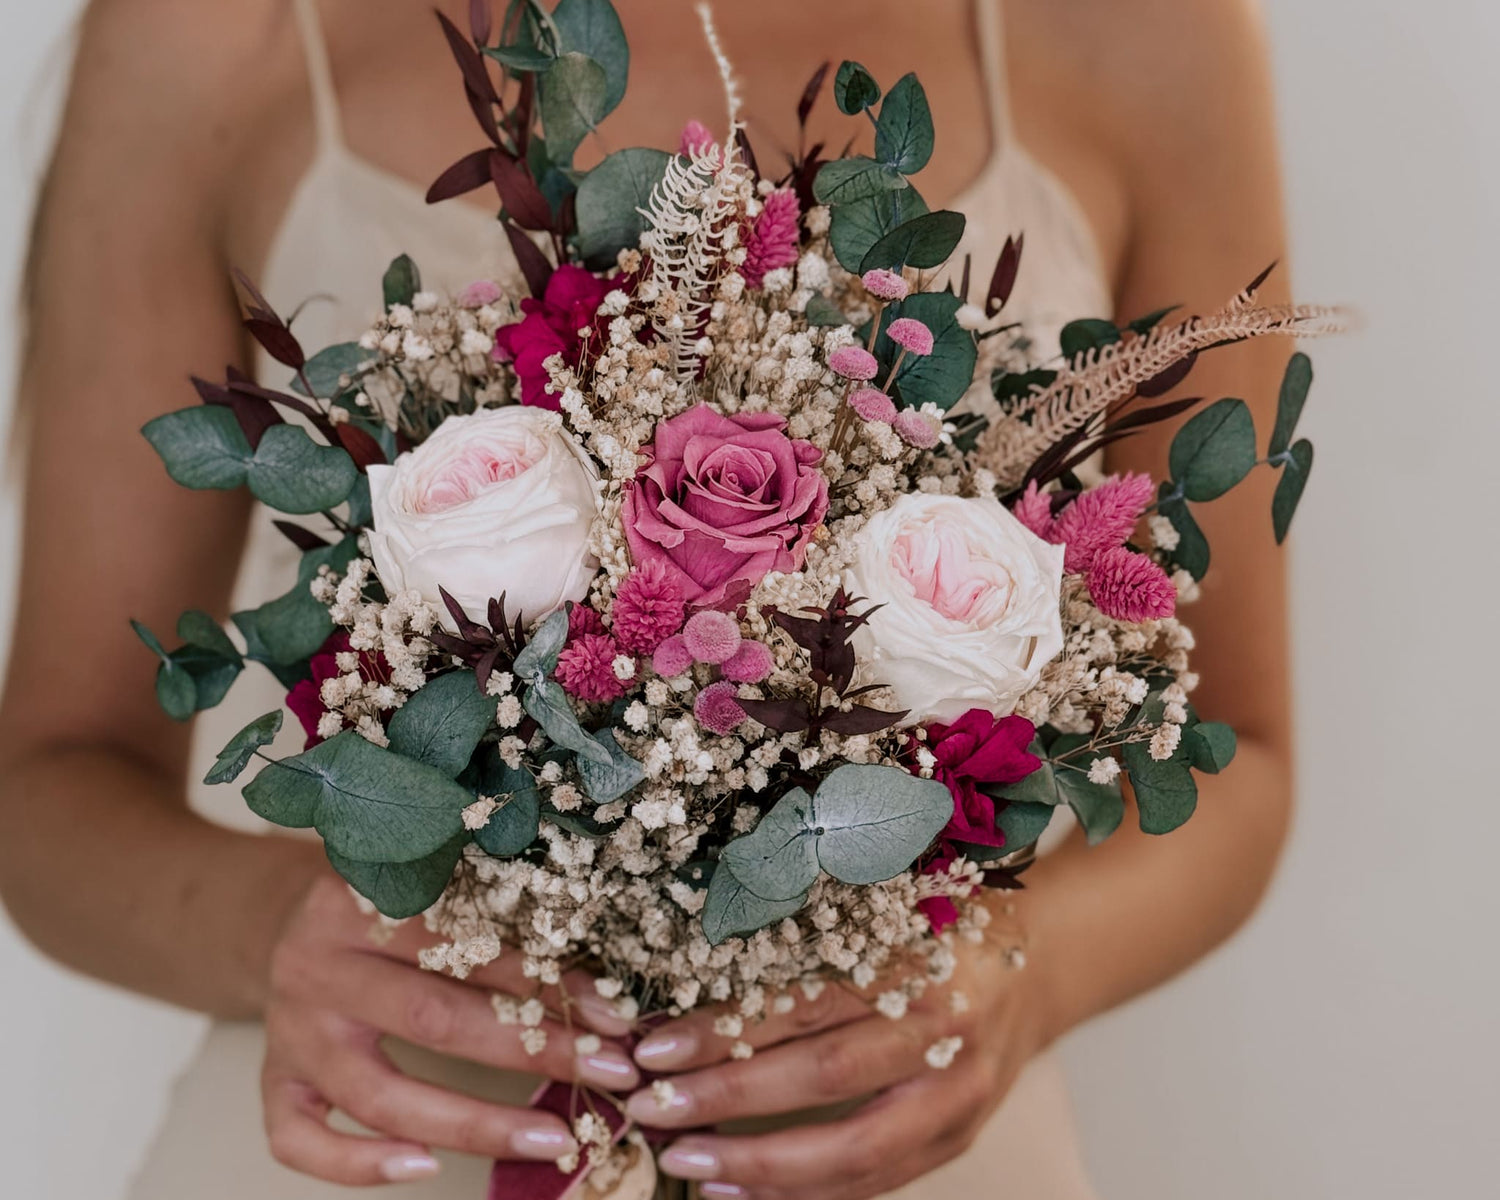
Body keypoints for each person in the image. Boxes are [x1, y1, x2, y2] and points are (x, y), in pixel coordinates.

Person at [0, 1, 1295, 1196]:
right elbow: (53, 784)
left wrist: (1023, 972)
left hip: (901, 1139)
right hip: (380, 1131)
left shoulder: (1147, 28)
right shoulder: (208, 32)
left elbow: (1244, 752)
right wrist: (271, 930)